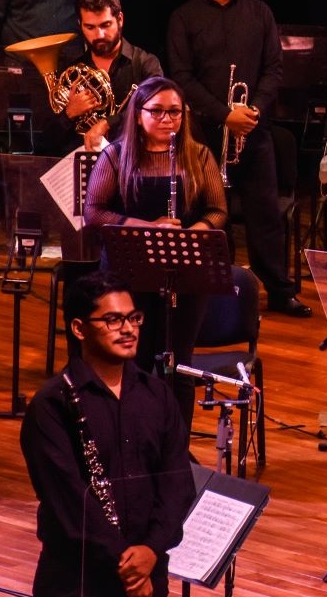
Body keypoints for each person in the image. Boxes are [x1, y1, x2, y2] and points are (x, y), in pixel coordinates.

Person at [20, 269, 195, 597]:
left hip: (148, 578)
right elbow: (69, 501)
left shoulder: (157, 395)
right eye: (113, 320)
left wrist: (150, 551)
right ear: (80, 328)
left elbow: (177, 483)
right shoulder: (52, 404)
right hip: (79, 588)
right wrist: (127, 566)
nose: (128, 329)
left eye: (133, 318)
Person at [167, 0, 311, 317]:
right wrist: (222, 113)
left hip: (253, 131)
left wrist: (253, 112)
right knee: (212, 213)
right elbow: (182, 77)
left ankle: (279, 290)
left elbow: (273, 69)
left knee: (265, 214)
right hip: (204, 136)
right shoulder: (184, 18)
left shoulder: (259, 12)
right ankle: (218, 287)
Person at [83, 76, 228, 424]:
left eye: (175, 112)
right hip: (130, 271)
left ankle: (175, 447)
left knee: (180, 363)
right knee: (136, 359)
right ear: (137, 114)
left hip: (185, 271)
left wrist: (191, 234)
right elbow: (94, 212)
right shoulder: (115, 156)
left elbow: (218, 210)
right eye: (158, 111)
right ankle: (135, 437)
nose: (168, 119)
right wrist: (151, 229)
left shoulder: (199, 155)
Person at [39, 0, 163, 155]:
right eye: (90, 27)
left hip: (134, 164)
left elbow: (157, 112)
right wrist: (69, 113)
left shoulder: (145, 64)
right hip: (84, 169)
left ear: (120, 19)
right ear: (80, 24)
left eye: (105, 25)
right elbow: (47, 141)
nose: (99, 35)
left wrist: (107, 123)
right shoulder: (72, 71)